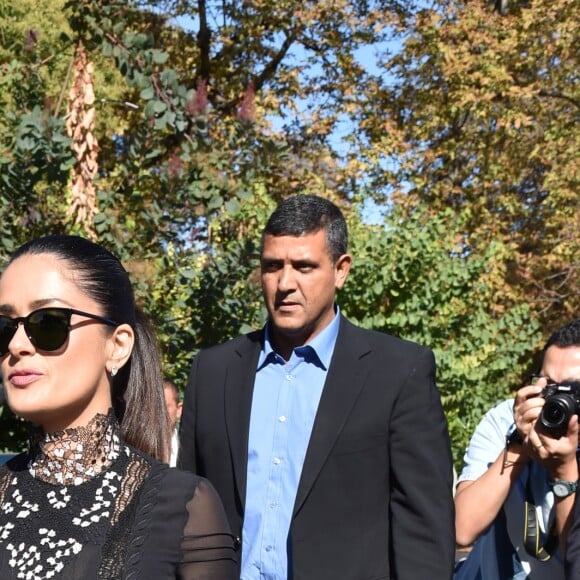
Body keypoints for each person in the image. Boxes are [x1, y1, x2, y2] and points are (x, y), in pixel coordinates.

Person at [179, 194, 455, 579]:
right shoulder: (213, 372)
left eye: (304, 267)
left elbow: (424, 529)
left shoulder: (397, 373)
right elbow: (187, 512)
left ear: (341, 270)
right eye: (272, 266)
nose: (285, 284)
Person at [0, 234, 237, 579]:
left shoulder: (184, 507)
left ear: (118, 346)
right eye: (5, 327)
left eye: (48, 322)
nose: (17, 345)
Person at [454, 318, 580, 579]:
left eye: (573, 390)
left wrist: (564, 471)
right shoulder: (504, 420)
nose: (558, 401)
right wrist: (517, 444)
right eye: (550, 385)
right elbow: (461, 529)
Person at [164, 378, 183, 467]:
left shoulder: (188, 448)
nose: (159, 412)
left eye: (165, 406)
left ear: (179, 410)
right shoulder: (138, 450)